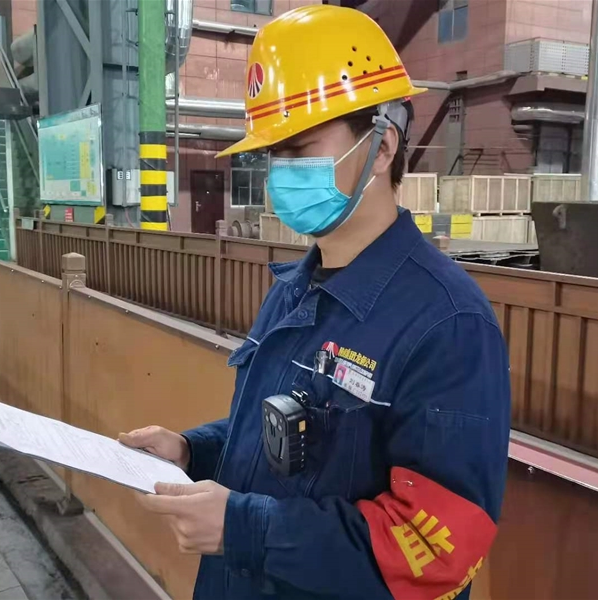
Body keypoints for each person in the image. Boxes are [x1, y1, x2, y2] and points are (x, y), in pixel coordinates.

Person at [121, 5, 511, 599]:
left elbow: (435, 551)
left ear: (382, 146)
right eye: (273, 154)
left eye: (300, 149)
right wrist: (191, 451)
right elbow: (281, 438)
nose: (281, 173)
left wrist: (244, 529)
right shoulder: (293, 290)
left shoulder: (448, 326)